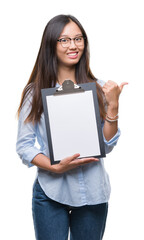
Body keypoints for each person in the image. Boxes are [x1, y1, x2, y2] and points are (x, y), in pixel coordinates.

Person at [16, 14, 127, 240]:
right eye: (64, 40)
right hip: (50, 192)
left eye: (78, 39)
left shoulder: (100, 88)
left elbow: (105, 146)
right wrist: (53, 167)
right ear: (51, 44)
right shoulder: (34, 93)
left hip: (94, 193)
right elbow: (24, 145)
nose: (73, 45)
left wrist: (113, 105)